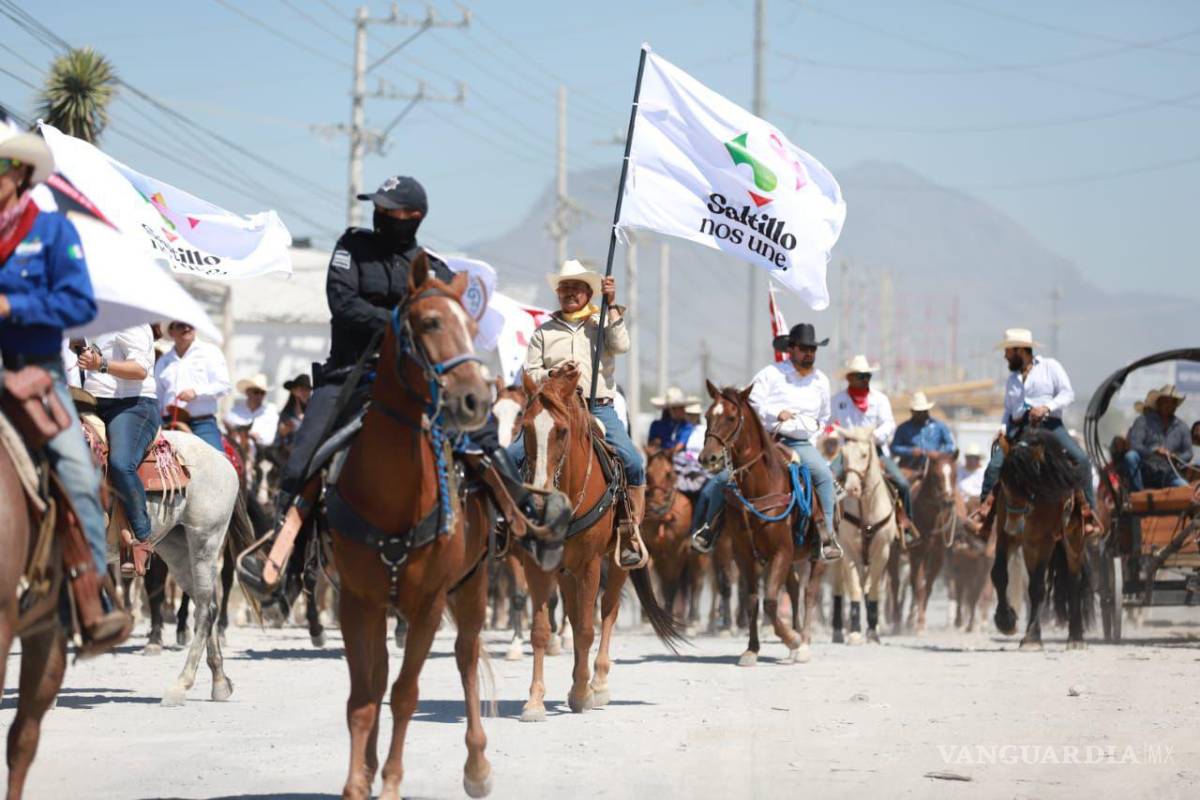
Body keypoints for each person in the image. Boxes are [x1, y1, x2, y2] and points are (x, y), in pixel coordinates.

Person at [239, 175, 565, 595]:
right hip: (350, 375)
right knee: (304, 454)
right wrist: (400, 323)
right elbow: (343, 304)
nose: (380, 216)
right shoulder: (351, 247)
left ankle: (525, 520)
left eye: (389, 211)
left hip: (417, 382)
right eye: (378, 208)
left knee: (481, 436)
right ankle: (279, 553)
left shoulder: (433, 268)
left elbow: (452, 318)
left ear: (413, 218)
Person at [0, 125, 128, 646]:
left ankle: (92, 595)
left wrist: (15, 306)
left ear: (19, 174)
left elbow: (79, 305)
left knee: (78, 469)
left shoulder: (52, 233)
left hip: (34, 371)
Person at [515, 258, 647, 568]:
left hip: (597, 406)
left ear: (589, 293)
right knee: (511, 455)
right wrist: (555, 373)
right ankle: (508, 524)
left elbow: (621, 345)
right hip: (554, 408)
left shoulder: (600, 323)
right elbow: (531, 371)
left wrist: (611, 305)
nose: (570, 293)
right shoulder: (543, 332)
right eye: (565, 288)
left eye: (577, 288)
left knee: (633, 461)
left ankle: (629, 531)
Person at [692, 323, 841, 560]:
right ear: (791, 349)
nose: (809, 353)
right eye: (804, 348)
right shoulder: (771, 374)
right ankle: (710, 530)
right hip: (768, 440)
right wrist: (776, 413)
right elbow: (750, 405)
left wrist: (811, 432)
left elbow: (824, 417)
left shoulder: (821, 380)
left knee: (823, 474)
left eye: (812, 349)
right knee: (723, 479)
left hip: (802, 443)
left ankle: (827, 536)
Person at [969, 328, 1097, 533]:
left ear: (1020, 351)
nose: (1005, 356)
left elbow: (1067, 394)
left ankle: (1088, 513)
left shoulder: (1050, 367)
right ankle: (985, 514)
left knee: (1081, 460)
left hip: (1049, 427)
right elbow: (1008, 410)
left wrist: (1046, 407)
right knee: (994, 466)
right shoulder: (1012, 379)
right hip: (1019, 429)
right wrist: (1002, 428)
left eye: (1008, 351)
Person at [77, 324, 160, 576]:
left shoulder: (132, 322)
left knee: (121, 463)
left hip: (133, 406)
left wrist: (100, 364)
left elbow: (140, 370)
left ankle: (142, 538)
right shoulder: (94, 320)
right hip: (91, 401)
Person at [829, 353, 913, 532]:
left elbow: (889, 424)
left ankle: (905, 524)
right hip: (848, 453)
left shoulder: (880, 399)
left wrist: (874, 437)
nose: (865, 379)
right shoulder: (837, 401)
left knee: (902, 483)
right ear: (849, 378)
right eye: (861, 376)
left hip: (876, 450)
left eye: (868, 376)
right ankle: (827, 525)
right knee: (827, 479)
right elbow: (825, 423)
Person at [154, 320, 230, 451]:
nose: (187, 328)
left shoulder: (210, 352)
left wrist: (196, 392)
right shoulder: (163, 361)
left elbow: (224, 386)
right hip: (168, 422)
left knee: (217, 464)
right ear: (171, 332)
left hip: (201, 423)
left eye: (190, 324)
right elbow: (157, 397)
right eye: (181, 325)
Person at [1124, 385, 1191, 489]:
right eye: (1166, 402)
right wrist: (1154, 452)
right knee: (1131, 456)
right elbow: (1135, 444)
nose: (1169, 405)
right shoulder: (1143, 421)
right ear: (1159, 403)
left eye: (1172, 402)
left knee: (1185, 488)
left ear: (1176, 405)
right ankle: (1138, 494)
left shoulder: (1182, 427)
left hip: (1168, 474)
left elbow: (1188, 452)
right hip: (1144, 471)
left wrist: (1175, 457)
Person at [891, 391, 956, 470]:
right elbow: (894, 447)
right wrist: (910, 451)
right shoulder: (903, 428)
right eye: (918, 412)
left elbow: (951, 445)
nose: (922, 414)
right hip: (910, 467)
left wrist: (938, 453)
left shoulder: (939, 426)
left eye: (924, 411)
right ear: (912, 412)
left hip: (934, 466)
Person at [224, 372, 280, 448]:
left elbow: (269, 439)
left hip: (259, 453)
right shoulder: (235, 411)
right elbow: (227, 427)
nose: (259, 396)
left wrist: (257, 437)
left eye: (262, 393)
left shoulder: (270, 413)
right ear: (248, 392)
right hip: (235, 449)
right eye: (256, 392)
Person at [647, 385, 697, 453]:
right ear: (669, 410)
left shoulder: (686, 426)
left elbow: (679, 446)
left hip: (678, 460)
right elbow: (651, 446)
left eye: (682, 407)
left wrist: (665, 453)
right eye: (678, 408)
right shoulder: (656, 425)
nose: (683, 410)